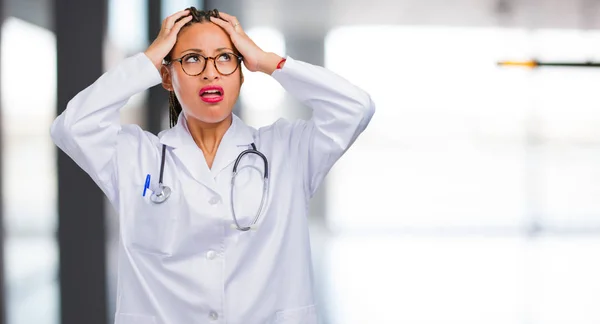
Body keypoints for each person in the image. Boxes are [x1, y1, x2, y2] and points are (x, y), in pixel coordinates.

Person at [50, 7, 374, 324]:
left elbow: (355, 108)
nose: (210, 72)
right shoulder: (136, 156)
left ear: (241, 70)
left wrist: (266, 61)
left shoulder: (288, 150)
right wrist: (146, 62)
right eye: (191, 58)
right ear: (166, 75)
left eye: (224, 57)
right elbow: (72, 126)